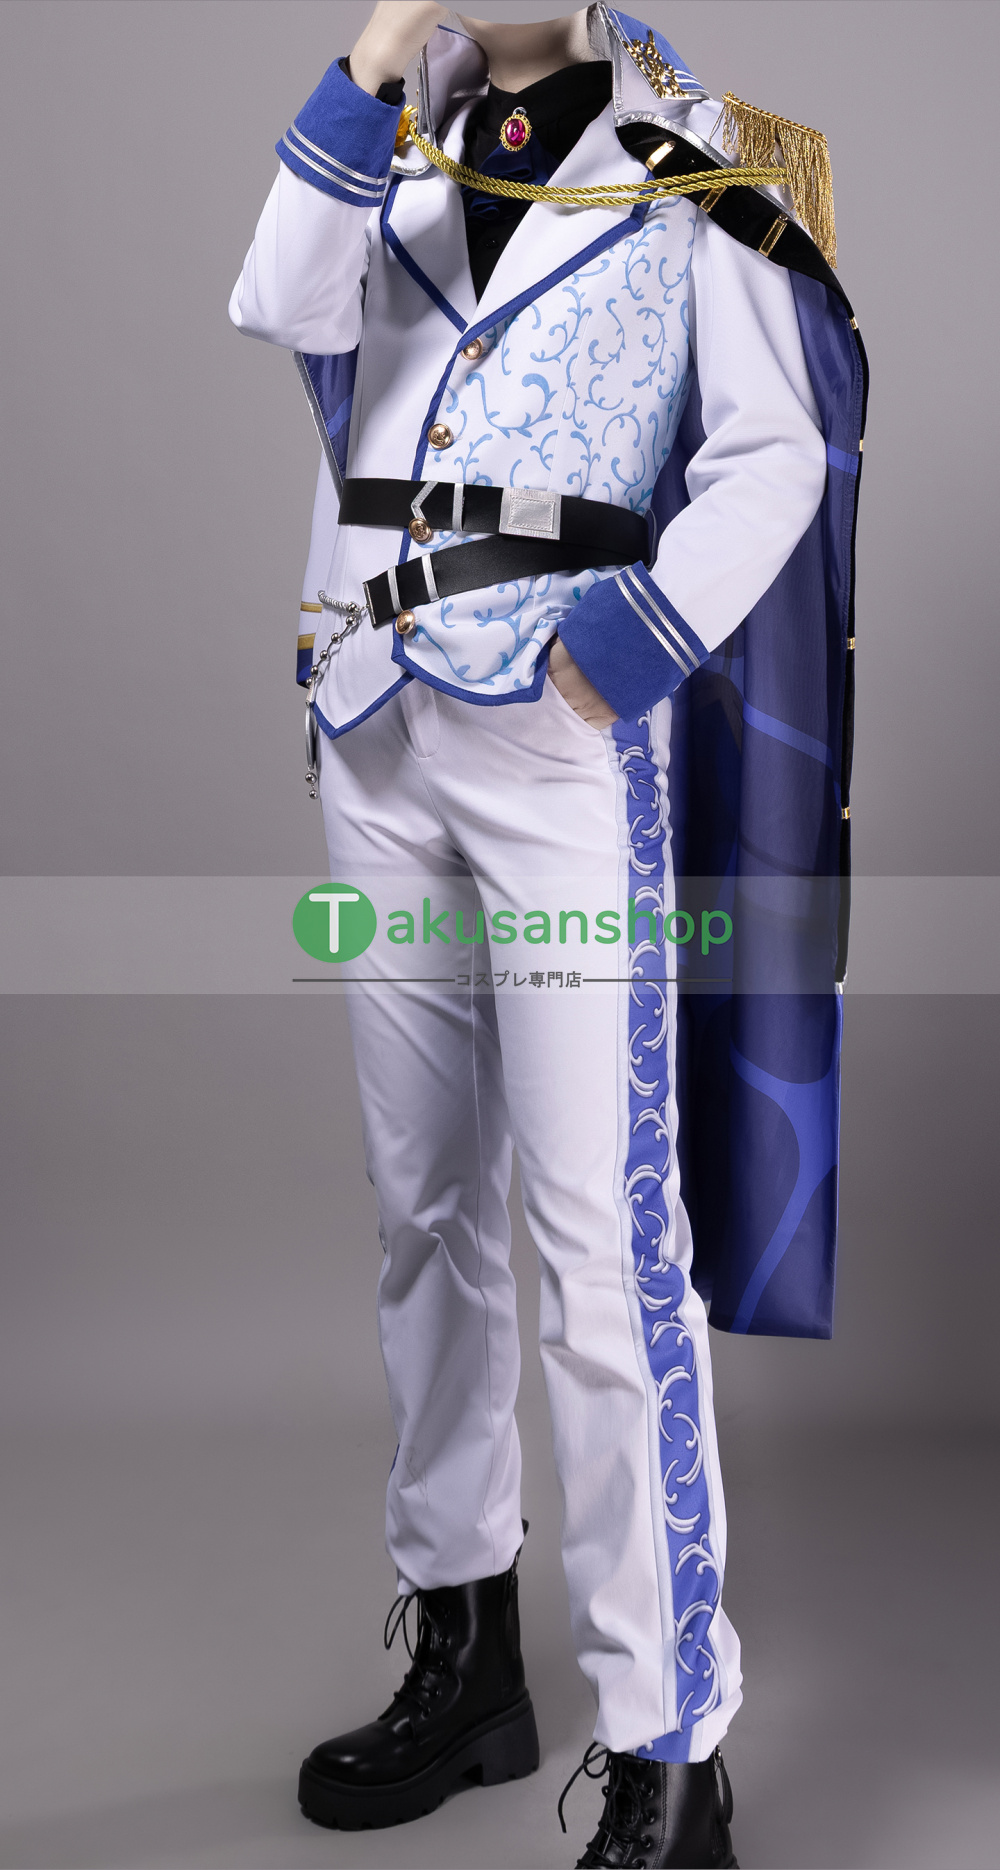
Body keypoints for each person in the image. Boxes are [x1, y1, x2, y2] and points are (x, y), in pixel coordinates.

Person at [230, 5, 866, 1862]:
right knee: (423, 1204)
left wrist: (635, 638)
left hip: (561, 747)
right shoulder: (393, 143)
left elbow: (775, 449)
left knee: (602, 1235)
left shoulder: (702, 158)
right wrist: (381, 42)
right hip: (374, 724)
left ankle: (671, 1744)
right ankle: (466, 1651)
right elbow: (278, 296)